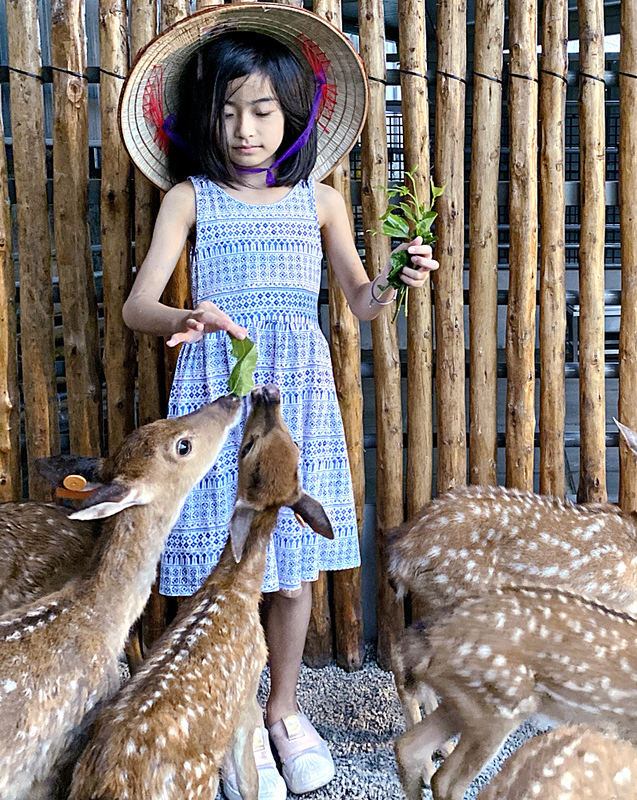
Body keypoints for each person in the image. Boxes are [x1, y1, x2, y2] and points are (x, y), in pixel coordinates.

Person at [118, 8, 437, 798]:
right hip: (216, 394)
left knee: (291, 574)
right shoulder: (190, 200)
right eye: (228, 112)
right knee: (221, 566)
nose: (245, 128)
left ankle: (283, 712)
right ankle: (230, 714)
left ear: (292, 115)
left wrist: (397, 278)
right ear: (208, 118)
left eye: (261, 111)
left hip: (295, 402)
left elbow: (361, 301)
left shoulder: (318, 202)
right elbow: (138, 306)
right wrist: (185, 317)